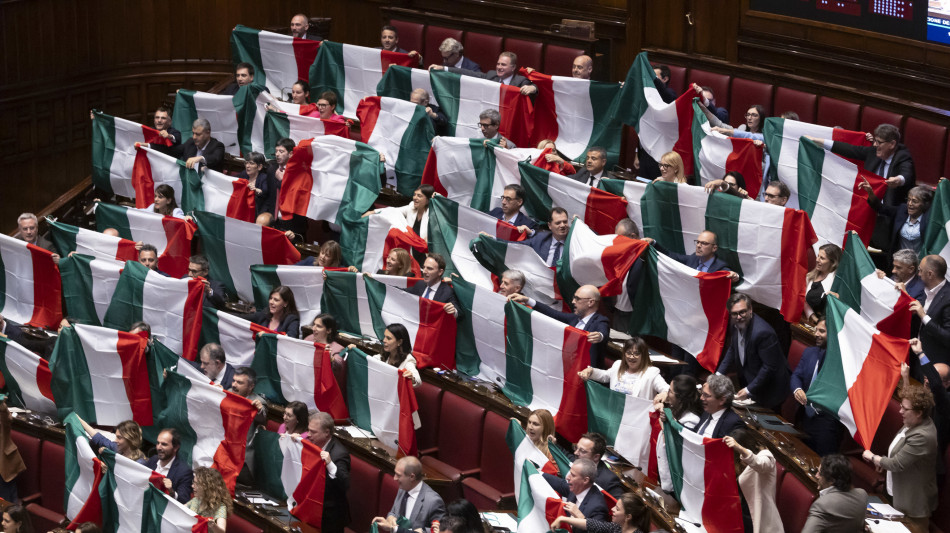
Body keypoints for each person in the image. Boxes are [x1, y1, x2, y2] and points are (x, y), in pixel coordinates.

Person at [862, 384, 938, 529]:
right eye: (901, 406)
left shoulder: (923, 435)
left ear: (919, 412)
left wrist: (873, 457)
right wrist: (883, 461)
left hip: (913, 502)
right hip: (895, 491)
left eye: (905, 408)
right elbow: (899, 451)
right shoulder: (912, 422)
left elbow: (896, 464)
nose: (900, 411)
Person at [716, 293, 790, 411]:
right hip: (751, 377)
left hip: (771, 388)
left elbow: (769, 367)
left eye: (742, 312)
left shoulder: (763, 333)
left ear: (750, 309)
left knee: (766, 418)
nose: (739, 317)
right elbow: (733, 348)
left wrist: (749, 389)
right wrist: (718, 376)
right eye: (735, 314)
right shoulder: (734, 323)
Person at [510, 284, 610, 368]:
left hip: (585, 372)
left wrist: (599, 336)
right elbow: (553, 313)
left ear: (590, 302)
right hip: (565, 366)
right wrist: (527, 300)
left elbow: (603, 333)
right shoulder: (573, 318)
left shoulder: (600, 321)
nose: (573, 301)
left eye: (577, 299)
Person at [789, 318, 844, 456]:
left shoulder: (841, 362)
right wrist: (797, 389)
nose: (816, 334)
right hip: (804, 416)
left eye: (822, 331)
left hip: (826, 422)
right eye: (816, 330)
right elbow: (796, 376)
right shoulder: (809, 352)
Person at [724, 428, 781, 533]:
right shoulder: (736, 462)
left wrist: (740, 449)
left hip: (757, 518)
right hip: (739, 513)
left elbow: (760, 464)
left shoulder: (766, 456)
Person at [579, 336, 668, 400]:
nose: (631, 357)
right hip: (616, 413)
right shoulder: (618, 365)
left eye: (636, 354)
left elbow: (666, 389)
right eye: (628, 353)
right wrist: (591, 371)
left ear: (643, 356)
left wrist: (664, 393)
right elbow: (605, 376)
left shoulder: (651, 373)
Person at [656, 375, 704, 492]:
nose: (667, 394)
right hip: (663, 472)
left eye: (670, 391)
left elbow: (676, 447)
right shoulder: (674, 410)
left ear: (680, 397)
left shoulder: (691, 420)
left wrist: (666, 425)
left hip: (676, 481)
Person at [860, 181, 932, 257]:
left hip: (919, 261)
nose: (910, 204)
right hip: (898, 260)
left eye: (914, 201)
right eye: (908, 199)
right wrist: (870, 192)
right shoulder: (902, 210)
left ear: (924, 204)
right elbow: (881, 208)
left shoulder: (929, 219)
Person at [373, 456, 445, 531]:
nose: (394, 478)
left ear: (412, 477)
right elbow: (394, 512)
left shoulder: (433, 501)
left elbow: (441, 531)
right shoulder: (403, 488)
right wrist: (390, 517)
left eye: (398, 475)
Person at [802, 454, 869, 532]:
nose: (816, 476)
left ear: (831, 480)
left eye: (820, 473)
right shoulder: (862, 494)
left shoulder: (822, 505)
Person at [307, 411, 350, 533]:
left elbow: (345, 484)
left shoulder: (339, 454)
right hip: (311, 508)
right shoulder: (312, 444)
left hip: (330, 517)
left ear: (327, 433)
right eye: (308, 430)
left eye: (313, 432)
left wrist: (330, 464)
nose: (308, 435)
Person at [433, 52, 535, 96]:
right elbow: (469, 73)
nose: (499, 67)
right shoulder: (491, 75)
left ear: (513, 67)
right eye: (498, 64)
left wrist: (533, 88)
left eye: (503, 65)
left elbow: (536, 87)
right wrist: (444, 68)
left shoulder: (520, 81)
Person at [542, 458, 609, 522]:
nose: (568, 478)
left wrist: (580, 517)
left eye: (573, 475)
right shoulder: (577, 487)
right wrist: (537, 473)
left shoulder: (598, 507)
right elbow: (560, 484)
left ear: (585, 480)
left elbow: (595, 528)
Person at [652, 229, 738, 279]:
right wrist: (654, 243)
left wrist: (735, 276)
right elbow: (670, 255)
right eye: (698, 242)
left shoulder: (719, 267)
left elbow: (730, 274)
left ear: (714, 248)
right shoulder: (692, 259)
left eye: (704, 243)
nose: (698, 246)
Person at [912, 255, 950, 363]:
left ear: (930, 274)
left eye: (920, 270)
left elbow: (947, 336)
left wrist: (923, 316)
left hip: (934, 362)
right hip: (915, 354)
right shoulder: (923, 287)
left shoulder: (948, 297)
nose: (919, 274)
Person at [551, 493, 650, 533]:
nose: (612, 509)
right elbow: (592, 525)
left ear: (628, 517)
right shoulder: (617, 527)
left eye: (617, 509)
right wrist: (562, 519)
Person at [145, 428, 194, 504]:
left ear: (175, 448)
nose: (158, 447)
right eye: (158, 443)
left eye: (164, 444)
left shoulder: (184, 472)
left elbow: (184, 501)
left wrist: (171, 492)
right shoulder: (153, 460)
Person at [407, 254, 460, 318]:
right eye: (424, 267)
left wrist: (453, 310)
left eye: (429, 268)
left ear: (440, 272)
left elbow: (456, 309)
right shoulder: (420, 284)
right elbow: (405, 292)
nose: (424, 271)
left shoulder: (447, 292)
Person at [76, 416, 146, 464]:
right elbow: (99, 439)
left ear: (130, 439)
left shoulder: (140, 463)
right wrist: (78, 419)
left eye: (119, 437)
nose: (115, 440)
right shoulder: (117, 448)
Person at [572, 433, 622, 498]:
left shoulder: (609, 480)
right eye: (576, 448)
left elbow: (617, 502)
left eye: (582, 451)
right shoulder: (577, 460)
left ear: (596, 457)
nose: (575, 452)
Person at [694, 374, 744, 438]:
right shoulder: (707, 411)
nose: (701, 398)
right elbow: (695, 434)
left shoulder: (733, 423)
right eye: (702, 393)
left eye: (706, 395)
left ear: (722, 400)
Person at [803, 243, 841, 324]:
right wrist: (815, 319)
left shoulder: (837, 283)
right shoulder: (809, 277)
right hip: (812, 322)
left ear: (833, 263)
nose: (817, 260)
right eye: (818, 256)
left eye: (822, 258)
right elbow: (804, 300)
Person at [239, 151, 277, 217]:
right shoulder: (243, 174)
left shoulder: (264, 177)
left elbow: (264, 192)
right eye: (246, 163)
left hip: (259, 210)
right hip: (243, 208)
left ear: (259, 167)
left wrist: (255, 190)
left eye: (251, 163)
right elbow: (233, 180)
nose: (247, 166)